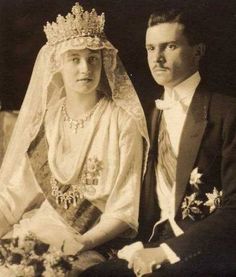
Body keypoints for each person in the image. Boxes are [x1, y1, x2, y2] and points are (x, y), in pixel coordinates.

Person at [81, 4, 236, 277]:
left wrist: (166, 252)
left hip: (204, 251)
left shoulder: (227, 113)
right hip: (152, 239)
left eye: (170, 47)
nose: (157, 58)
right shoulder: (147, 113)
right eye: (151, 49)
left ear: (198, 51)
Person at [0, 2, 149, 274]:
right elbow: (13, 197)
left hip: (91, 243)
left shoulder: (122, 121)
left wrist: (81, 242)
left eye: (92, 58)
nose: (85, 69)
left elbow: (123, 210)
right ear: (58, 64)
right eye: (75, 59)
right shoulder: (48, 119)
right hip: (35, 230)